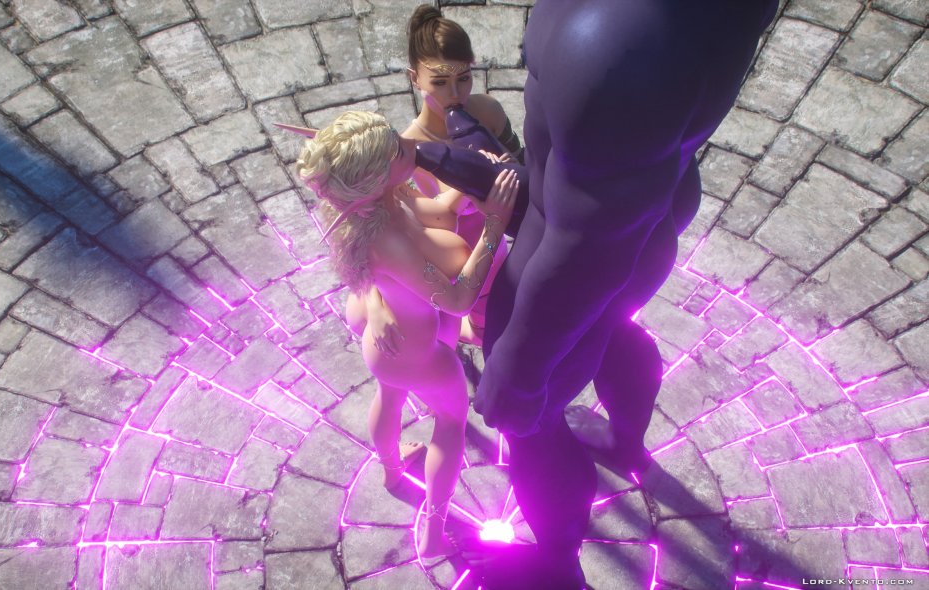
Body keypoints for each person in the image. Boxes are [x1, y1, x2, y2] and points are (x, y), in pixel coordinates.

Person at [410, 1, 779, 587]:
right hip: (647, 214)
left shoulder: (614, 43)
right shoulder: (677, 22)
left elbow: (588, 237)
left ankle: (558, 567)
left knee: (533, 425)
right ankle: (626, 443)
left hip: (574, 255)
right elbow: (594, 173)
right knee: (610, 326)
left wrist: (518, 369)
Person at [295, 111, 518, 558]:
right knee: (451, 422)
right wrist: (494, 225)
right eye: (396, 150)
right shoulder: (387, 238)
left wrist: (480, 176)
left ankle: (392, 471)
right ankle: (433, 533)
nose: (408, 146)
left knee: (389, 395)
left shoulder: (376, 203)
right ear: (374, 176)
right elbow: (457, 300)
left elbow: (440, 211)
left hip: (391, 342)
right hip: (416, 352)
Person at [400, 4, 522, 346]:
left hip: (502, 245)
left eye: (464, 78)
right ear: (414, 78)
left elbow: (525, 165)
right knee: (485, 333)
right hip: (463, 257)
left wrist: (510, 164)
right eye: (440, 82)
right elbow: (398, 227)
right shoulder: (410, 148)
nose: (456, 94)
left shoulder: (487, 111)